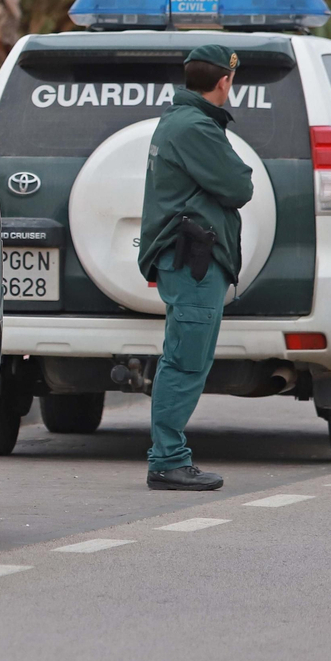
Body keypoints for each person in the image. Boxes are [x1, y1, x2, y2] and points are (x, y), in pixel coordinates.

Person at [136, 44, 254, 491]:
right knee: (185, 361)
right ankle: (168, 459)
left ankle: (169, 456)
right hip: (193, 262)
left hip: (191, 259)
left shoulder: (182, 121)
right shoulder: (195, 127)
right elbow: (238, 185)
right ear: (224, 81)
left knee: (185, 357)